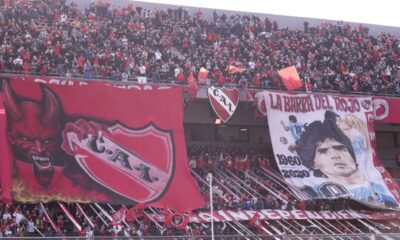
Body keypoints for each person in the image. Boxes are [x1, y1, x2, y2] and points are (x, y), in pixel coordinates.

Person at [2, 80, 128, 203]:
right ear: (12, 138)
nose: (39, 149)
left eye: (47, 141)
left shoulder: (73, 178)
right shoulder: (11, 174)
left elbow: (103, 194)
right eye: (27, 139)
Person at [295, 115, 398, 208]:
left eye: (340, 148)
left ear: (352, 154)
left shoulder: (381, 187)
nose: (335, 155)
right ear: (314, 164)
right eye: (323, 151)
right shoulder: (316, 192)